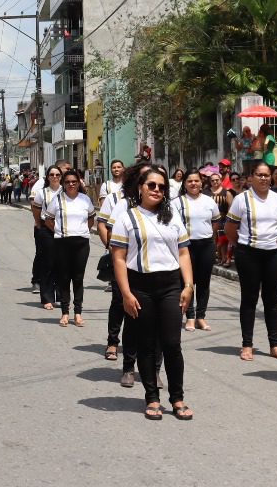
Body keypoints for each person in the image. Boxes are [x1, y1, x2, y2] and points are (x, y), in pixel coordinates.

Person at [109, 166, 195, 421]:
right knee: (146, 345)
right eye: (152, 185)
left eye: (162, 187)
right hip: (141, 286)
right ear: (140, 188)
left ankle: (177, 398)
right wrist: (126, 293)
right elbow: (119, 258)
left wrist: (188, 285)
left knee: (172, 344)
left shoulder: (172, 216)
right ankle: (152, 398)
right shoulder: (127, 218)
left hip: (170, 285)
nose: (157, 190)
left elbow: (183, 252)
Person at [225, 161, 277, 362]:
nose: (263, 178)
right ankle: (247, 344)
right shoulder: (241, 199)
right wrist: (241, 246)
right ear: (251, 177)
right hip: (248, 254)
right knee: (249, 299)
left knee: (271, 300)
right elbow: (230, 228)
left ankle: (275, 345)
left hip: (274, 255)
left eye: (266, 175)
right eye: (259, 175)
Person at [97, 164, 149, 383]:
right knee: (121, 305)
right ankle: (114, 344)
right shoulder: (119, 201)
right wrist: (112, 250)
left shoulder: (163, 205)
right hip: (124, 264)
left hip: (151, 269)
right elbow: (105, 226)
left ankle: (152, 367)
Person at [43, 168, 95, 327]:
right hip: (62, 243)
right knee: (64, 278)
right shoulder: (57, 200)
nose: (71, 184)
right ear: (63, 184)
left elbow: (91, 218)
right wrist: (59, 231)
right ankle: (65, 313)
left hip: (81, 243)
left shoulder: (85, 199)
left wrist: (82, 231)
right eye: (67, 182)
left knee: (78, 279)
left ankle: (78, 313)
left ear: (79, 183)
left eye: (74, 182)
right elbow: (48, 219)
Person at [176, 171, 219, 331]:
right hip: (186, 246)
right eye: (190, 181)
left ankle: (201, 316)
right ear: (185, 184)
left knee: (204, 282)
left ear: (201, 183)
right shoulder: (178, 202)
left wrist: (210, 237)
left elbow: (215, 221)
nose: (193, 184)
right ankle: (190, 316)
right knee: (188, 282)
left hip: (206, 245)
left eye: (196, 181)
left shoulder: (209, 201)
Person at [30, 165, 64, 310]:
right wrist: (39, 224)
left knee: (62, 265)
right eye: (52, 175)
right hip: (47, 230)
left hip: (64, 230)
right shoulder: (42, 193)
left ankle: (62, 297)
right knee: (47, 264)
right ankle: (47, 298)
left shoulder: (66, 191)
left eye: (57, 175)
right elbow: (36, 209)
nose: (55, 177)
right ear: (48, 177)